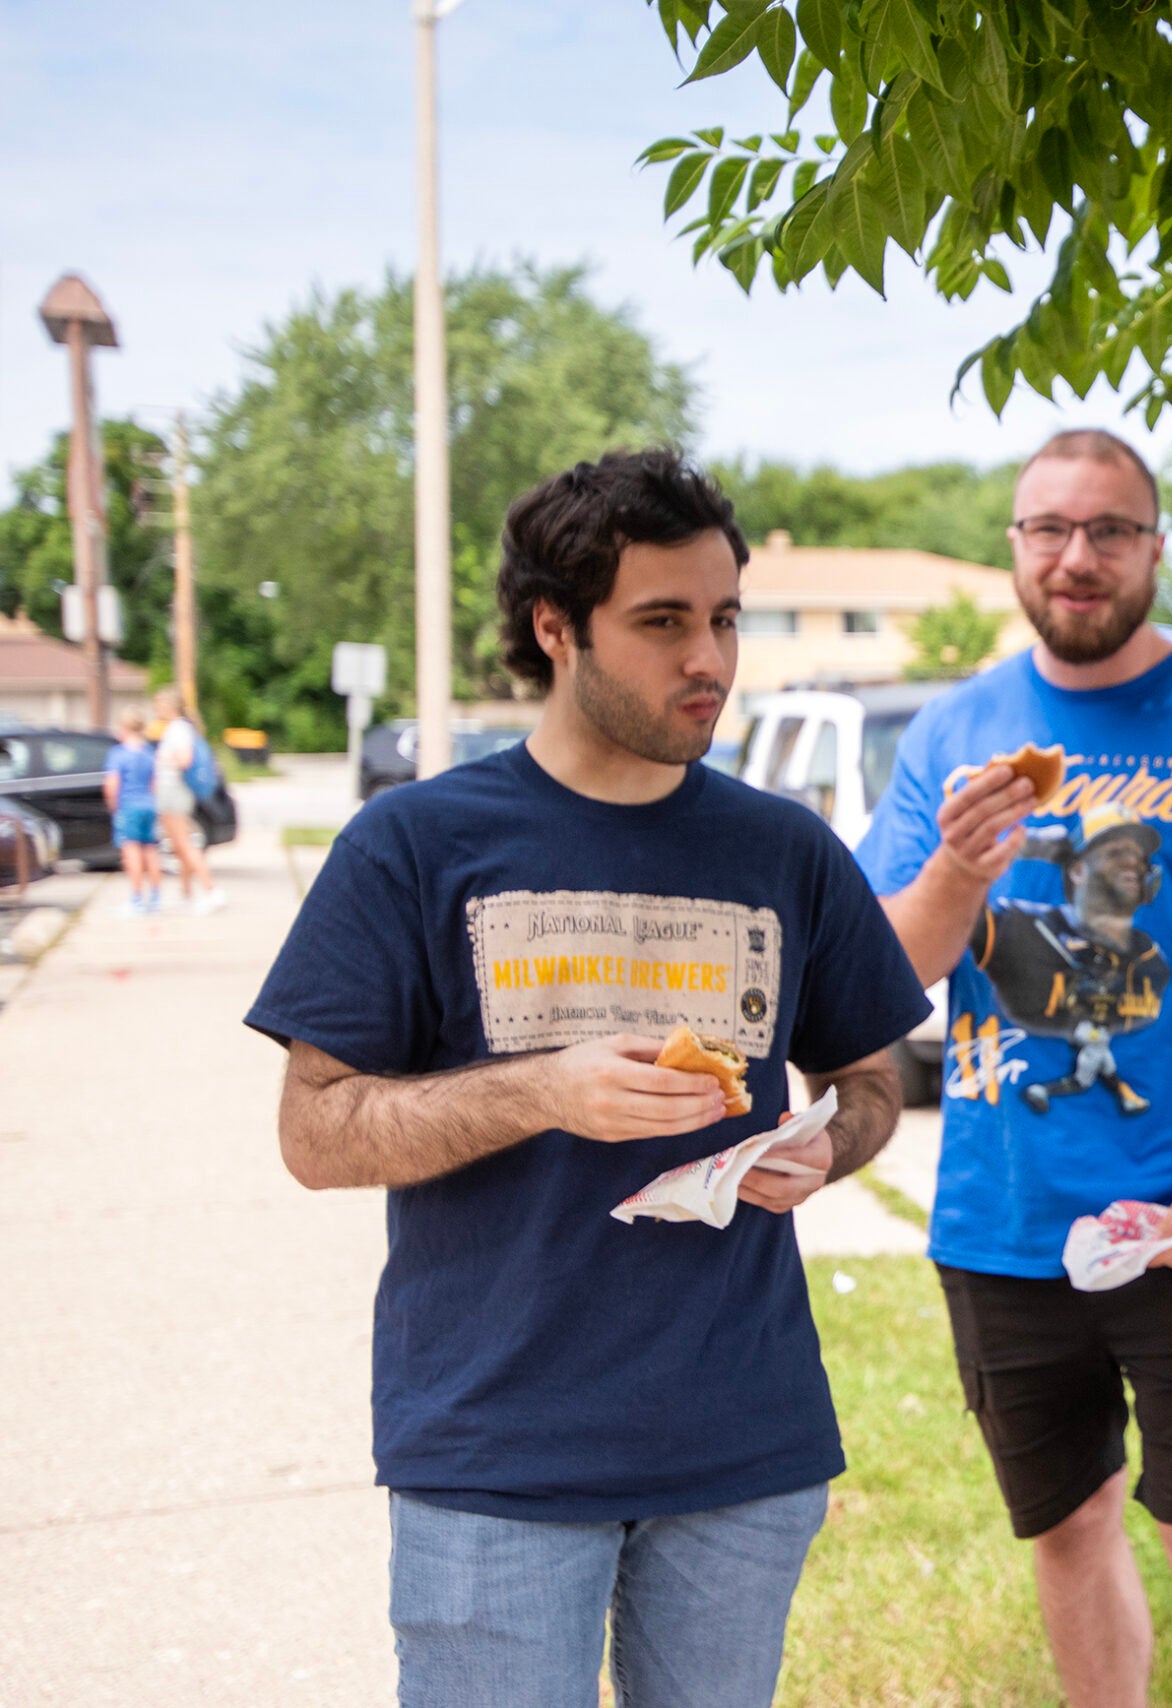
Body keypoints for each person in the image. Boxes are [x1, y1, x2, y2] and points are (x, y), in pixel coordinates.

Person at [246, 450, 928, 1707]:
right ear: (555, 627)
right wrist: (538, 1091)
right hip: (497, 1454)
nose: (709, 659)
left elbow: (871, 1074)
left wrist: (831, 1144)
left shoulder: (784, 847)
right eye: (662, 622)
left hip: (745, 1446)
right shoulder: (415, 843)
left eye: (723, 617)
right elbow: (316, 1132)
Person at [857, 429, 1172, 1708]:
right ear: (1016, 546)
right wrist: (957, 870)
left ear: (1152, 547)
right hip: (1003, 1219)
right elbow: (887, 970)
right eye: (1049, 530)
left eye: (1108, 531)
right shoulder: (952, 734)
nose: (1075, 558)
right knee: (1070, 1531)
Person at [151, 686, 224, 914]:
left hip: (174, 789)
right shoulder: (179, 728)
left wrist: (164, 758)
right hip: (173, 789)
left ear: (169, 706)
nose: (157, 709)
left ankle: (211, 890)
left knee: (183, 842)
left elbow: (184, 760)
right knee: (179, 844)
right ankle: (186, 893)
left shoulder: (178, 729)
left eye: (160, 704)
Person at [103, 708, 162, 917]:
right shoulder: (149, 753)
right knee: (151, 850)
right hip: (149, 805)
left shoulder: (118, 754)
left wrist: (113, 806)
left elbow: (112, 784)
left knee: (131, 851)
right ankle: (155, 897)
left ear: (125, 728)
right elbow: (155, 783)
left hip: (129, 805)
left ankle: (136, 899)